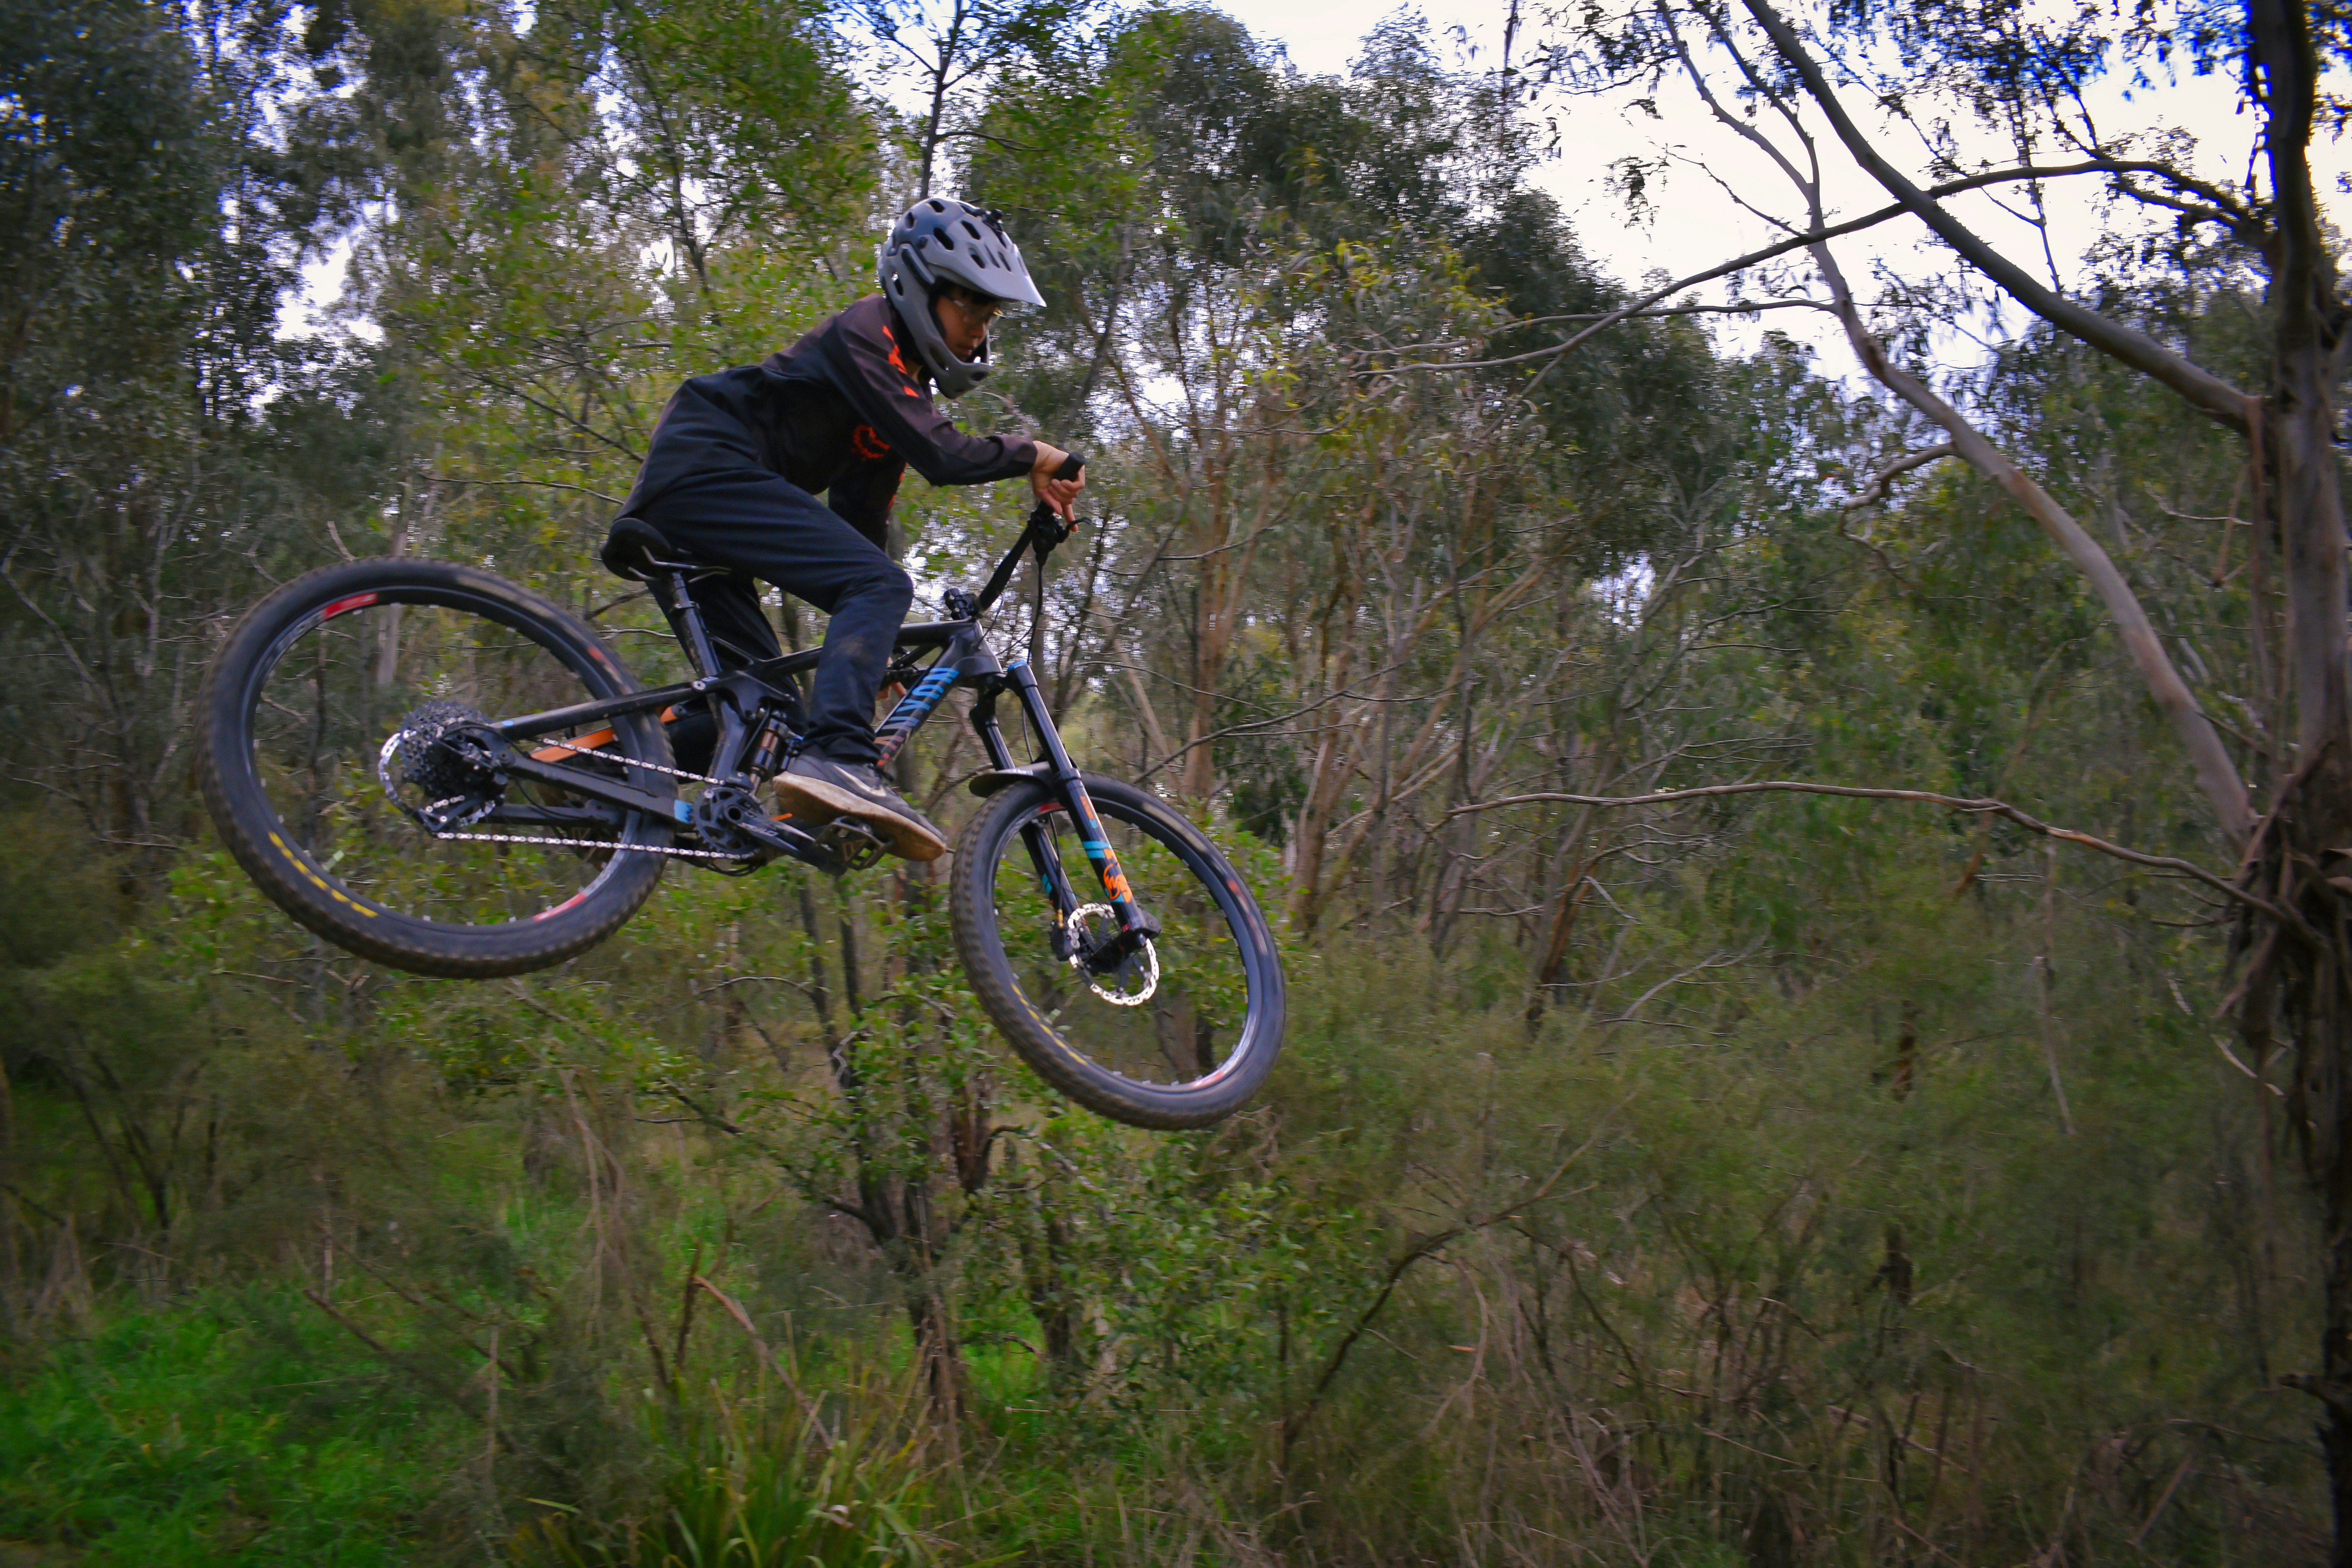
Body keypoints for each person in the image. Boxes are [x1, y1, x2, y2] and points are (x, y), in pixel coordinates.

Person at [606, 198, 1083, 862]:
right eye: (970, 307)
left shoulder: (894, 392)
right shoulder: (868, 334)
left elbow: (858, 527)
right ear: (919, 288)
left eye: (990, 314)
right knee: (877, 592)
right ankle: (844, 760)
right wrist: (1033, 453)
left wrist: (873, 650)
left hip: (699, 508)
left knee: (767, 721)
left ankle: (596, 781)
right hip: (705, 469)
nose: (979, 329)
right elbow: (942, 458)